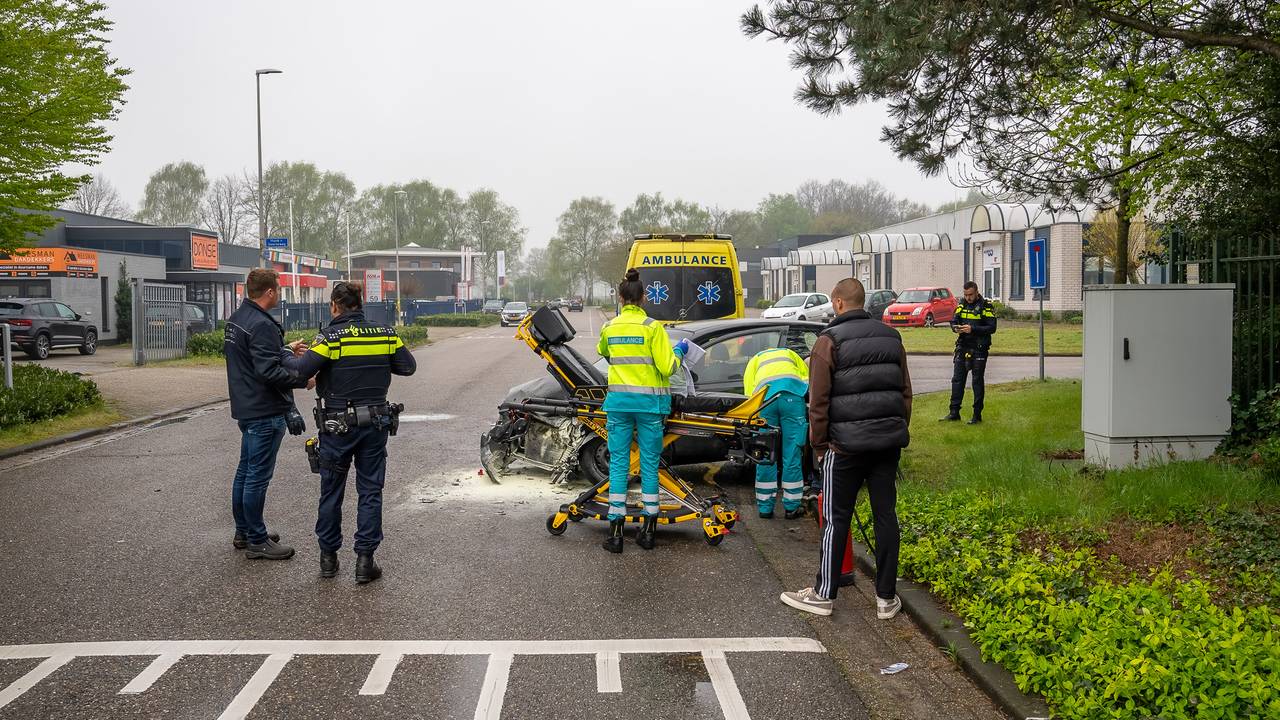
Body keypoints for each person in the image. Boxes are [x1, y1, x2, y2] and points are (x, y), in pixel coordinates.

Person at [781, 277, 912, 620]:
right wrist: (896, 430)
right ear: (862, 302)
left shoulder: (828, 341)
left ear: (838, 302)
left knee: (836, 519)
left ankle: (824, 594)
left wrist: (820, 446)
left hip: (844, 447)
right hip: (887, 444)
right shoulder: (892, 337)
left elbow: (818, 402)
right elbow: (904, 393)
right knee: (886, 517)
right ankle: (886, 598)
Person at [284, 282, 416, 583]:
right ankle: (365, 562)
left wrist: (283, 353)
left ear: (334, 306)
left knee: (332, 491)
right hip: (376, 425)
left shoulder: (330, 338)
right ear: (360, 304)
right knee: (370, 491)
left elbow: (300, 370)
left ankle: (328, 560)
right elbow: (407, 367)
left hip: (337, 427)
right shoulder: (385, 334)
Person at [224, 268, 311, 560]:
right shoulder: (262, 325)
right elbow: (269, 371)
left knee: (245, 472)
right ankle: (257, 540)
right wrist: (303, 379)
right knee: (257, 478)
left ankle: (244, 531)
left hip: (246, 406)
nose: (280, 292)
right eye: (278, 288)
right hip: (264, 409)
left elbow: (255, 359)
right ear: (270, 292)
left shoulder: (237, 320)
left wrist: (284, 348)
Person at [596, 268, 686, 554]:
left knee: (620, 465)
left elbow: (606, 353)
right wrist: (681, 351)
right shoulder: (652, 328)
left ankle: (616, 533)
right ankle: (648, 531)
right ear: (643, 297)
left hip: (619, 407)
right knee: (649, 465)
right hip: (649, 407)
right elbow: (667, 367)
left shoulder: (609, 328)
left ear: (621, 298)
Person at [743, 346, 809, 519]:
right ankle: (792, 507)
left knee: (764, 452)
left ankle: (765, 508)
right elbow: (806, 380)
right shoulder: (791, 354)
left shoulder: (755, 359)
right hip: (792, 399)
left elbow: (749, 392)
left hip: (765, 401)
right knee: (793, 452)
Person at [942, 281, 997, 424]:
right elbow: (953, 320)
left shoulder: (986, 307)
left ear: (977, 292)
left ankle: (977, 416)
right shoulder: (962, 305)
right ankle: (954, 413)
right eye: (966, 295)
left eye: (971, 295)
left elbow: (992, 327)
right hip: (963, 346)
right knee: (957, 380)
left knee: (977, 381)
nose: (968, 298)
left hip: (979, 349)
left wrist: (973, 329)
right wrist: (955, 327)